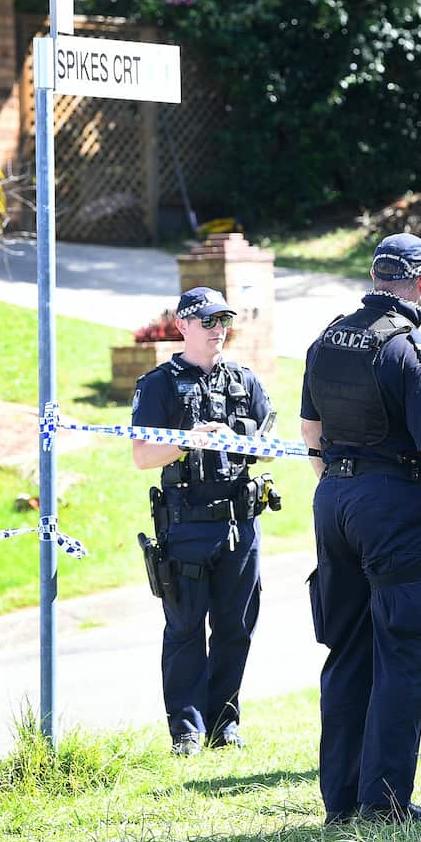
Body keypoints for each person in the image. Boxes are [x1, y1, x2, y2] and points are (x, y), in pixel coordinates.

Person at [300, 232, 421, 825]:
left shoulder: (327, 340)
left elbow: (311, 433)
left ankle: (341, 804)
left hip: (334, 500)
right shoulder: (411, 350)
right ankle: (385, 804)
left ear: (375, 277)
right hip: (393, 509)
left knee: (347, 652)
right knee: (403, 653)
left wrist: (344, 488)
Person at [131, 286, 274, 756]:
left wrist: (234, 438)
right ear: (183, 325)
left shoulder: (245, 382)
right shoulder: (158, 384)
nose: (218, 330)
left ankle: (224, 724)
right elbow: (142, 455)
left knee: (236, 628)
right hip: (186, 526)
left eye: (224, 321)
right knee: (185, 630)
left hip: (240, 524)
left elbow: (271, 447)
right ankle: (187, 731)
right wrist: (188, 441)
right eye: (208, 321)